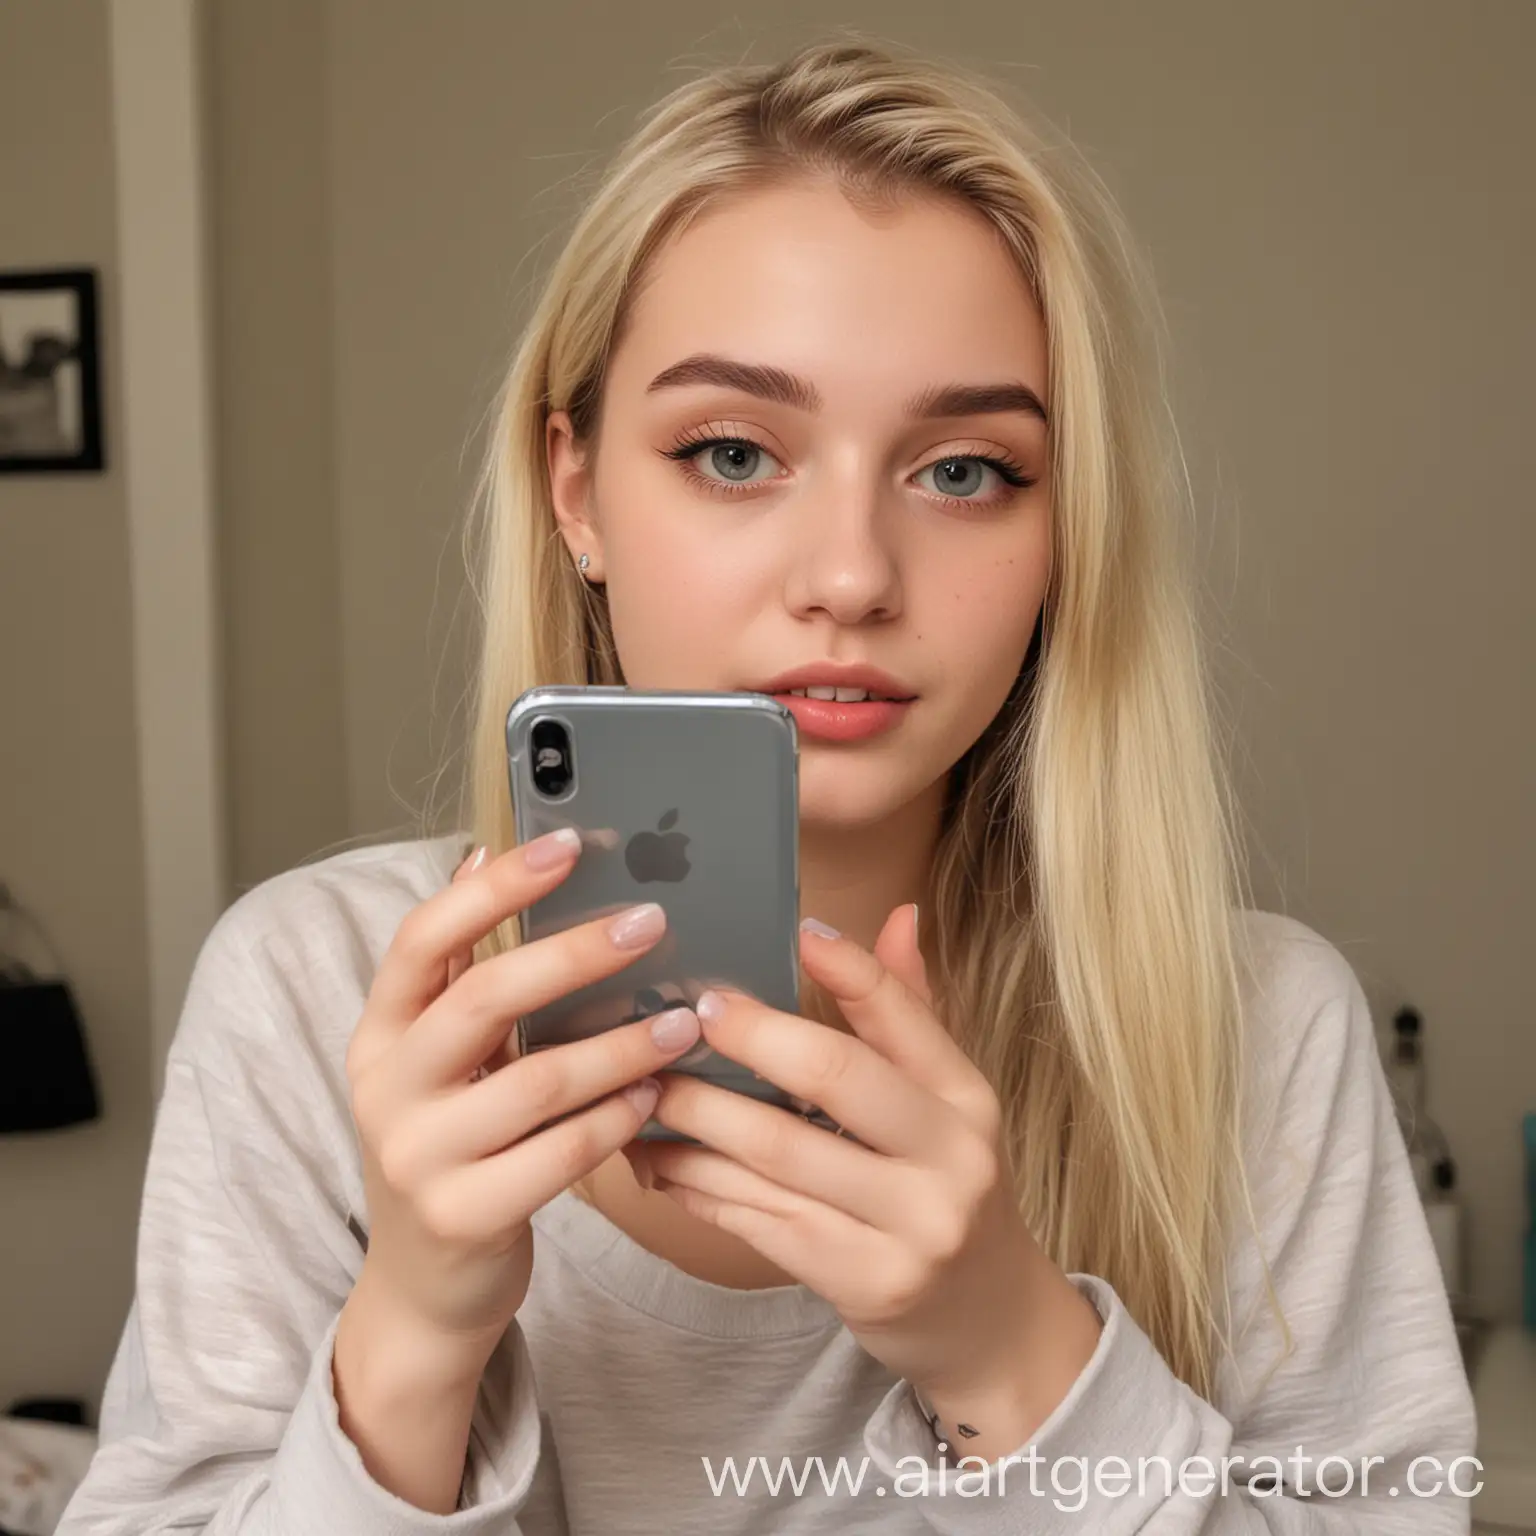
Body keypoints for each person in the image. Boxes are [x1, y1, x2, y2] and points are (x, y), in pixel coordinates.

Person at [58, 38, 1475, 1535]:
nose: (853, 576)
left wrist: (1014, 1355)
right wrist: (410, 1340)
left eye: (967, 470)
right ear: (579, 491)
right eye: (734, 452)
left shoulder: (1255, 1036)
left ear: (1074, 532)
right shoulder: (311, 996)